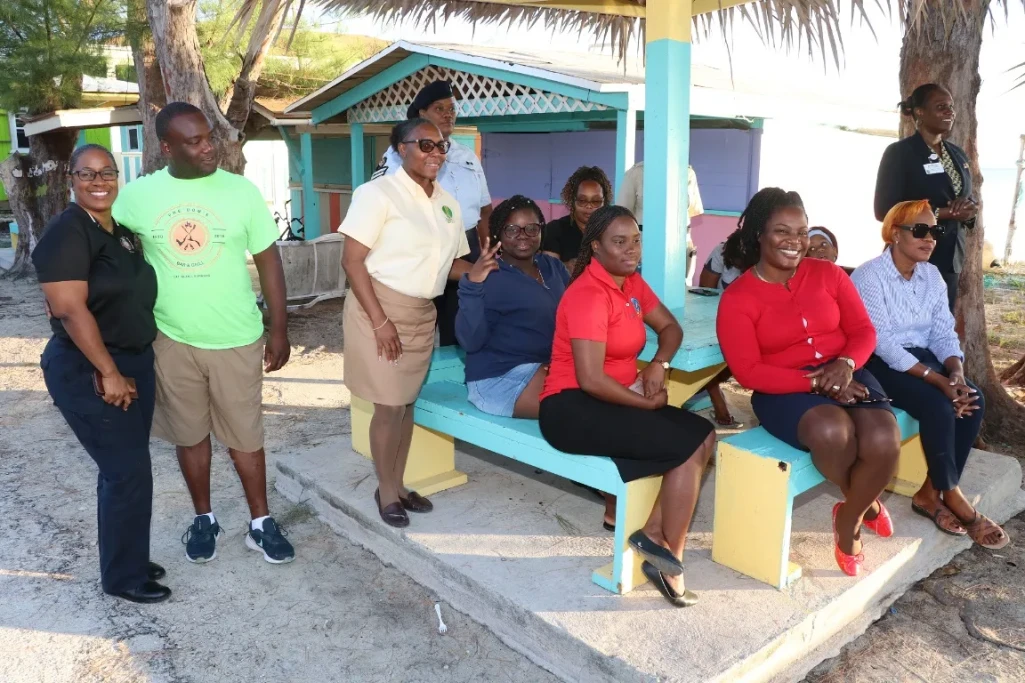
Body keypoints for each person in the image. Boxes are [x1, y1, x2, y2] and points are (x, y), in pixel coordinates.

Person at [112, 102, 295, 565]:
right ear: (167, 147)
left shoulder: (241, 192)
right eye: (194, 142)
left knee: (245, 438)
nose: (208, 147)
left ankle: (261, 523)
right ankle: (204, 518)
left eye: (209, 137)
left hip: (236, 335)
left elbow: (269, 261)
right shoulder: (136, 198)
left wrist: (279, 326)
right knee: (189, 436)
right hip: (170, 339)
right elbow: (108, 254)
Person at [716, 187, 901, 578]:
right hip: (783, 390)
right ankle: (864, 504)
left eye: (801, 232)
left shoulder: (829, 274)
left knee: (884, 438)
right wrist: (817, 384)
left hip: (846, 371)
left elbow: (863, 330)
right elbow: (747, 371)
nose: (795, 241)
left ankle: (847, 515)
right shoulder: (738, 298)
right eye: (782, 231)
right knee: (834, 431)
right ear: (758, 235)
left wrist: (847, 365)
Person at [538, 205, 717, 608]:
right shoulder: (587, 293)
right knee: (688, 444)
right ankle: (669, 556)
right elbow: (590, 379)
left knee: (703, 436)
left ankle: (657, 538)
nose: (631, 249)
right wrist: (644, 404)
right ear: (596, 247)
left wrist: (659, 364)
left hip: (614, 399)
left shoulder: (631, 283)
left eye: (635, 240)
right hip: (570, 408)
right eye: (619, 242)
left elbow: (670, 328)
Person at [32, 145, 170, 604]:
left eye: (107, 172)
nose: (99, 181)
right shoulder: (66, 232)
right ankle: (123, 578)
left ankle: (126, 556)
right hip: (90, 368)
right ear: (71, 178)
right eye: (87, 173)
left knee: (128, 469)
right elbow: (69, 310)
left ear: (118, 176)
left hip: (131, 362)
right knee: (125, 471)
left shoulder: (120, 233)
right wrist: (109, 371)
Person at [852, 199, 1008, 549]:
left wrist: (955, 373)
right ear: (894, 233)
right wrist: (937, 381)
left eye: (934, 231)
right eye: (919, 230)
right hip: (880, 362)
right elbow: (883, 343)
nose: (930, 238)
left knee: (973, 399)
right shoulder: (869, 275)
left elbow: (942, 331)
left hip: (922, 359)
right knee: (938, 406)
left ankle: (928, 492)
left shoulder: (931, 275)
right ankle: (952, 494)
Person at [341, 118, 474, 529]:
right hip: (376, 309)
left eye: (442, 146)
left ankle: (398, 484)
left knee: (406, 404)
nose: (436, 152)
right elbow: (352, 260)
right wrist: (381, 322)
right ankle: (385, 490)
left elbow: (450, 264)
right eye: (426, 145)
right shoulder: (377, 194)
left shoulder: (447, 202)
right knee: (389, 404)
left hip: (421, 313)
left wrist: (479, 271)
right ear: (401, 148)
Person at [373, 80, 492, 346]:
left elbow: (484, 209)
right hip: (418, 250)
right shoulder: (396, 157)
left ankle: (454, 376)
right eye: (440, 109)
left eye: (452, 108)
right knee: (415, 326)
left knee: (463, 322)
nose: (449, 114)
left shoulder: (466, 155)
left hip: (466, 246)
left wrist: (484, 251)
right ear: (420, 114)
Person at [455, 195, 570, 418]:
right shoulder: (490, 276)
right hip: (498, 377)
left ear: (541, 230)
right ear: (499, 233)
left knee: (602, 392)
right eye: (512, 230)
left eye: (531, 228)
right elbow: (470, 340)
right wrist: (473, 285)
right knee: (576, 409)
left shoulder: (553, 267)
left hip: (543, 366)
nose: (523, 236)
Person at [874, 83, 977, 312]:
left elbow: (968, 200)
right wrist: (944, 213)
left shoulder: (958, 154)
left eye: (951, 107)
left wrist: (970, 211)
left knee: (939, 326)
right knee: (903, 321)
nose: (949, 112)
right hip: (911, 257)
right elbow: (884, 210)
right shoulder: (900, 153)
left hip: (950, 260)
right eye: (941, 107)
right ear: (919, 112)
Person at [617, 161, 704, 278]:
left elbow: (692, 210)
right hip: (646, 246)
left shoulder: (687, 173)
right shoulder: (636, 174)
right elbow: (623, 214)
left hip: (679, 247)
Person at [696, 238, 744, 428]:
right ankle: (715, 394)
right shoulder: (722, 252)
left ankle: (711, 386)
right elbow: (704, 293)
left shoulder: (768, 259)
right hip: (713, 317)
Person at [542, 166, 613, 272]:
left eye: (596, 201)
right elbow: (549, 272)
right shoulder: (555, 229)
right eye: (582, 200)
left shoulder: (612, 231)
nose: (589, 206)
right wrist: (565, 267)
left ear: (605, 202)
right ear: (572, 200)